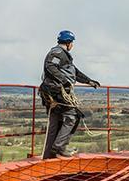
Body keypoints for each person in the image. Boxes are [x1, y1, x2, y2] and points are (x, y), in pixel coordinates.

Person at [39, 30, 101, 159]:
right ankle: (59, 147)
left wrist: (88, 81)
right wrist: (64, 81)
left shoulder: (64, 55)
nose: (72, 45)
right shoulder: (57, 53)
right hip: (56, 91)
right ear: (68, 43)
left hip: (55, 91)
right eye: (72, 43)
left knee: (56, 122)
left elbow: (75, 72)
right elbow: (50, 66)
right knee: (72, 117)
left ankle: (50, 154)